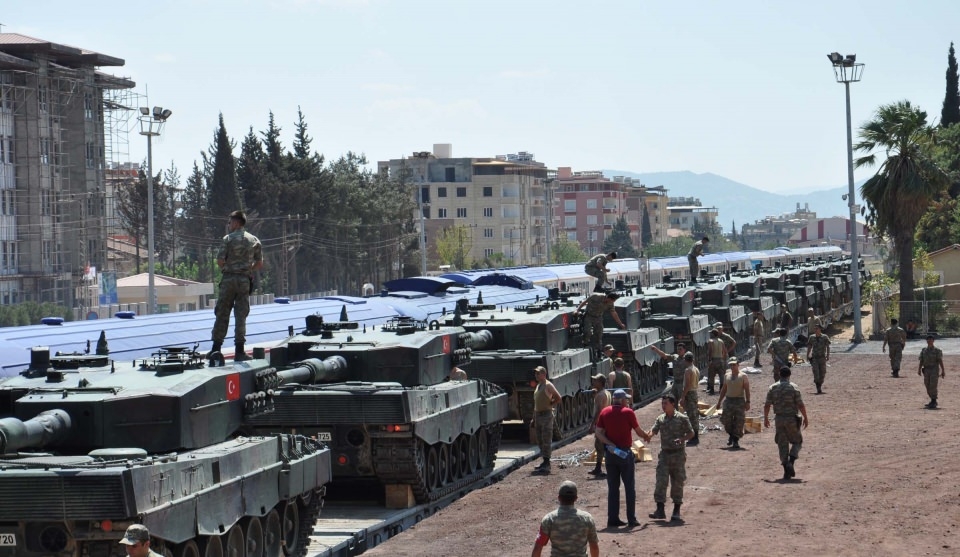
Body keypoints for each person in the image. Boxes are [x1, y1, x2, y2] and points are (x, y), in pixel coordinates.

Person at [210, 210, 263, 361]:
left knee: (222, 313)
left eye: (230, 221)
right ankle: (239, 351)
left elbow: (220, 261)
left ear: (237, 222)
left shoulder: (228, 239)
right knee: (241, 315)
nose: (229, 224)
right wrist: (246, 269)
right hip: (244, 281)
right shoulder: (254, 240)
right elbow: (259, 263)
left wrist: (229, 269)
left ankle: (215, 349)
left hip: (228, 280)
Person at [638, 395, 695, 522]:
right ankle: (660, 510)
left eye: (666, 403)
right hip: (664, 454)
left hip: (678, 455)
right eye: (662, 403)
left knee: (677, 483)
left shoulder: (682, 418)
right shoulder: (661, 419)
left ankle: (676, 511)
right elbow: (653, 430)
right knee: (661, 482)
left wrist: (682, 439)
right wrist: (648, 436)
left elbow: (691, 433)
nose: (663, 406)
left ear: (673, 404)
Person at [594, 389, 645, 528]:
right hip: (624, 453)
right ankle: (631, 519)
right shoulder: (628, 412)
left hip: (610, 454)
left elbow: (598, 432)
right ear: (622, 400)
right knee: (629, 487)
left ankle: (613, 519)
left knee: (613, 487)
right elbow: (639, 431)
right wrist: (647, 436)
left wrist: (609, 443)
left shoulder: (605, 412)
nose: (627, 401)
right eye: (626, 399)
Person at [531, 481, 600, 557]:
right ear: (576, 498)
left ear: (559, 498)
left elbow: (538, 547)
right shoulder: (587, 518)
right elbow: (594, 546)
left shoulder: (549, 519)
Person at [763, 366, 809, 480]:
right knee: (797, 441)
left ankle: (786, 470)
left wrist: (766, 418)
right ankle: (791, 461)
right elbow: (800, 404)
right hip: (791, 419)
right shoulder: (793, 387)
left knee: (782, 444)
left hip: (779, 419)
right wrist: (806, 417)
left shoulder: (772, 388)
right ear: (789, 375)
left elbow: (767, 405)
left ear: (779, 374)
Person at [576, 292, 626, 360]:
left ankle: (599, 351)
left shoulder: (610, 303)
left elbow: (613, 313)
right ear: (609, 298)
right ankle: (585, 344)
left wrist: (620, 324)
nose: (613, 302)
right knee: (587, 331)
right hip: (589, 316)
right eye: (613, 300)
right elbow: (585, 302)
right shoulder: (596, 296)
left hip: (598, 318)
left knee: (599, 334)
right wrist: (577, 310)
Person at [716, 357, 750, 449]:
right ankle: (731, 434)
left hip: (739, 401)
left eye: (734, 364)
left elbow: (747, 389)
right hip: (729, 401)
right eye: (731, 365)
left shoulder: (743, 376)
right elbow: (724, 389)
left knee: (739, 421)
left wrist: (748, 402)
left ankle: (735, 440)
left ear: (738, 365)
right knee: (726, 420)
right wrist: (719, 401)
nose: (732, 366)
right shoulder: (727, 375)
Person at [533, 365, 562, 473]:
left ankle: (547, 463)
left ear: (544, 374)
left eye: (538, 373)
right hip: (538, 415)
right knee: (540, 439)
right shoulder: (539, 385)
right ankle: (544, 461)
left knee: (546, 439)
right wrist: (533, 418)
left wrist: (551, 404)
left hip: (546, 415)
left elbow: (558, 397)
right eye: (535, 373)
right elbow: (536, 403)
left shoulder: (548, 385)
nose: (536, 375)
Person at [588, 374, 611, 477]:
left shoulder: (600, 395)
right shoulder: (605, 393)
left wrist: (593, 425)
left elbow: (598, 411)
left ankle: (600, 469)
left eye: (596, 381)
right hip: (606, 422)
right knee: (602, 446)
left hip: (601, 424)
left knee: (600, 446)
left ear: (600, 382)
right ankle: (598, 468)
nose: (593, 382)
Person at [679, 352, 701, 446]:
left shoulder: (688, 370)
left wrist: (683, 396)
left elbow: (687, 385)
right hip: (694, 392)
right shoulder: (696, 369)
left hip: (690, 393)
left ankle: (694, 437)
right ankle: (695, 436)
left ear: (685, 360)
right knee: (694, 414)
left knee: (692, 416)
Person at [918, 334, 945, 409]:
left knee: (933, 385)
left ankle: (934, 400)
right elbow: (921, 360)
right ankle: (932, 400)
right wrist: (919, 369)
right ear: (926, 341)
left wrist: (943, 370)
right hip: (926, 369)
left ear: (933, 341)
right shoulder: (924, 350)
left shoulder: (937, 350)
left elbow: (940, 360)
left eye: (931, 339)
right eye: (928, 339)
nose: (929, 341)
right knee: (927, 384)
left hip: (934, 369)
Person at [805, 324, 831, 394]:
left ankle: (820, 384)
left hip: (822, 358)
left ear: (820, 329)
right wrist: (807, 355)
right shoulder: (811, 337)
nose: (815, 330)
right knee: (816, 373)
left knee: (822, 373)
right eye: (815, 329)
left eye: (817, 328)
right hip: (815, 358)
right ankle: (818, 388)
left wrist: (828, 356)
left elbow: (828, 347)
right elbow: (809, 347)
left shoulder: (825, 337)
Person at [705, 328, 728, 395]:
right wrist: (723, 359)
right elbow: (724, 351)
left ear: (712, 334)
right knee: (721, 375)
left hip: (713, 360)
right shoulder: (721, 341)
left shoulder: (711, 341)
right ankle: (721, 388)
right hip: (720, 359)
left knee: (711, 375)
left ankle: (711, 389)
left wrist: (709, 360)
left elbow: (710, 351)